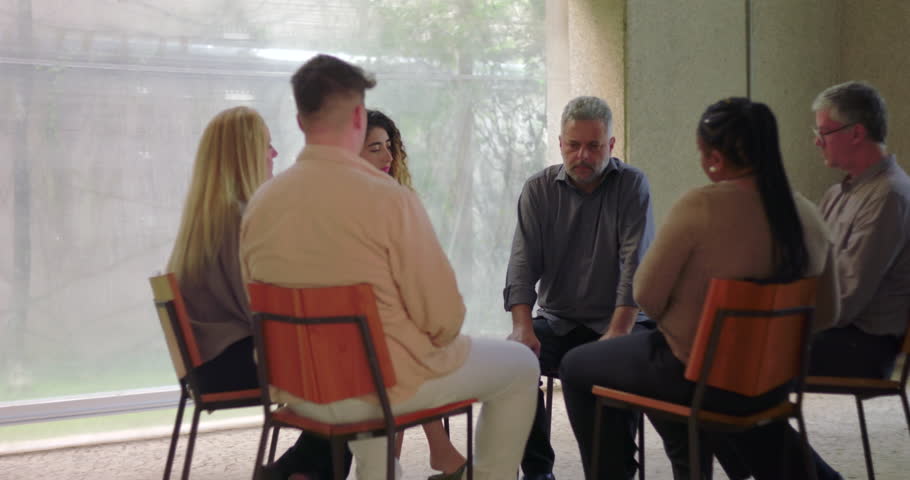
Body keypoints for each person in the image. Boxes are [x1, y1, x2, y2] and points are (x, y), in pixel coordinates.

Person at [240, 54, 540, 480]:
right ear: (359, 116)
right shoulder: (387, 197)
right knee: (520, 366)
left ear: (301, 120)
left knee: (368, 365)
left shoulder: (261, 203)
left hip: (298, 388)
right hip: (375, 387)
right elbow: (444, 317)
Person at [558, 97, 841, 479]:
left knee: (576, 366)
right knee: (742, 409)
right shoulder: (809, 214)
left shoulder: (699, 206)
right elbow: (827, 312)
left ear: (713, 156)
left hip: (695, 374)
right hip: (772, 380)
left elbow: (647, 296)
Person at [166, 106, 351, 480]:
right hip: (235, 364)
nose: (275, 154)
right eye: (267, 145)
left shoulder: (210, 218)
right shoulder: (243, 220)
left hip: (210, 365)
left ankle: (294, 469)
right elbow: (267, 308)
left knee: (348, 371)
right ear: (245, 154)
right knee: (357, 374)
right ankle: (296, 472)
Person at [504, 95, 656, 480]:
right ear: (560, 144)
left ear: (611, 146)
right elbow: (522, 265)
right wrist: (522, 328)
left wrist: (618, 333)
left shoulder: (632, 185)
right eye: (574, 145)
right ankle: (538, 472)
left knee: (604, 370)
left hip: (623, 324)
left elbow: (634, 266)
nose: (583, 155)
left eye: (593, 146)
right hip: (558, 322)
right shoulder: (538, 189)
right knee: (511, 363)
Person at [360, 108, 467, 479]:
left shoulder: (394, 199)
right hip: (355, 336)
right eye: (375, 149)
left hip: (379, 330)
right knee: (410, 351)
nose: (388, 157)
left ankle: (415, 458)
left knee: (409, 344)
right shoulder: (353, 207)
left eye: (389, 147)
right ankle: (441, 454)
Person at [811, 81, 910, 379]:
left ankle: (768, 427)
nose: (817, 142)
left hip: (867, 346)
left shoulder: (889, 195)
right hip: (841, 332)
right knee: (733, 342)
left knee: (745, 352)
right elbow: (813, 266)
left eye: (824, 133)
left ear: (856, 133)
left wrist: (784, 316)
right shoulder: (837, 193)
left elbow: (847, 300)